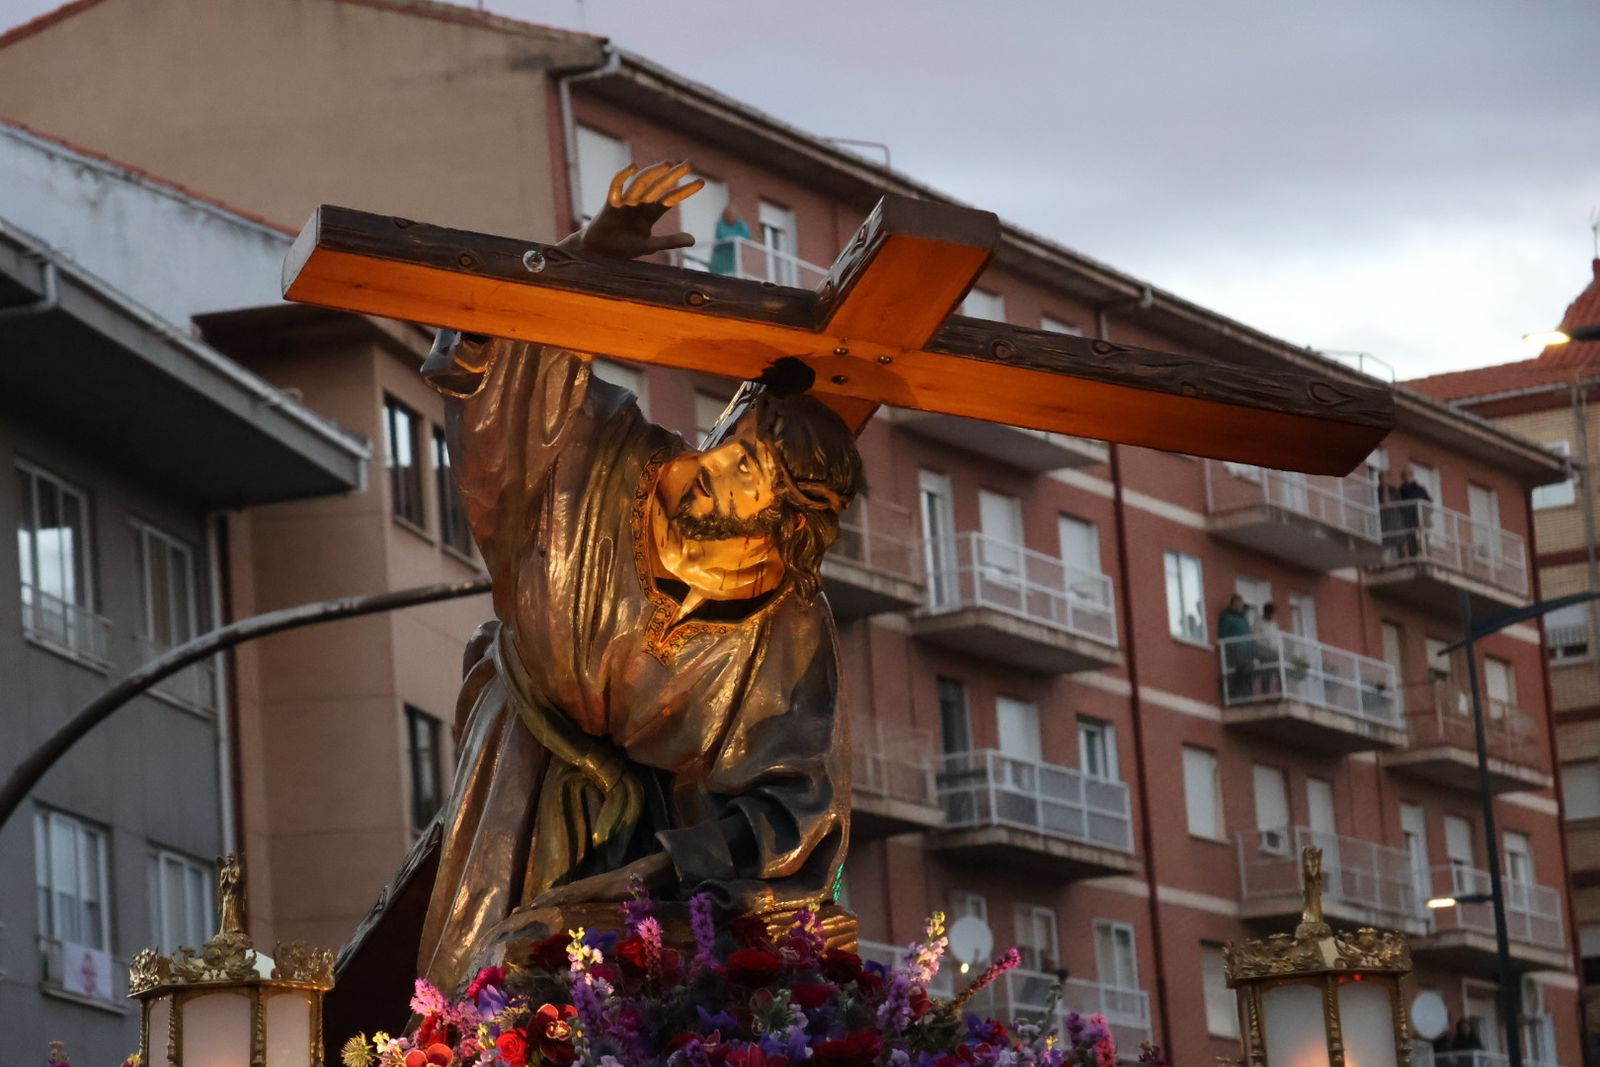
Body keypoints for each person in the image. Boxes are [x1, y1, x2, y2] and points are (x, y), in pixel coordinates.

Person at [341, 161, 865, 998]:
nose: (708, 463)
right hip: (528, 753)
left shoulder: (787, 629)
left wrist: (669, 868)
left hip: (669, 854)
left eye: (744, 471)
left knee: (629, 981)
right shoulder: (602, 463)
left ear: (786, 523)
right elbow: (506, 385)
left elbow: (797, 798)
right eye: (725, 440)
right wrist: (592, 258)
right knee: (487, 983)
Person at [1218, 594, 1255, 700]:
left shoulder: (1243, 619)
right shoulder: (1227, 617)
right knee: (1243, 670)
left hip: (1247, 652)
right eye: (1237, 604)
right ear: (1232, 604)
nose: (1239, 606)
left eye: (1241, 604)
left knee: (1251, 669)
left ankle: (1247, 696)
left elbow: (1249, 634)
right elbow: (1223, 635)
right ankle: (1235, 694)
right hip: (1234, 652)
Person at [1397, 465, 1433, 558]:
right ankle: (1413, 554)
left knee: (1423, 536)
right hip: (1408, 520)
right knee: (1411, 537)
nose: (1407, 477)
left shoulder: (1420, 489)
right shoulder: (1402, 490)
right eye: (1405, 475)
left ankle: (1425, 553)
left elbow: (1429, 503)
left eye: (1409, 474)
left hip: (1421, 518)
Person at [709, 200, 752, 276]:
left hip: (733, 259)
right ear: (725, 215)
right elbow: (723, 236)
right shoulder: (721, 223)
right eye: (729, 214)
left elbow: (747, 236)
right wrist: (735, 238)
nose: (732, 216)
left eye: (733, 214)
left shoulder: (740, 223)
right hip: (721, 258)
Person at [1254, 602, 1282, 695]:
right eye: (1272, 613)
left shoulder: (1274, 624)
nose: (1273, 616)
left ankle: (1281, 694)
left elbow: (1277, 638)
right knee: (1266, 675)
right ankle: (1266, 695)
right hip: (1265, 654)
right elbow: (1258, 640)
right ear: (1267, 612)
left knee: (1279, 673)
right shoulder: (1259, 624)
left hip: (1275, 653)